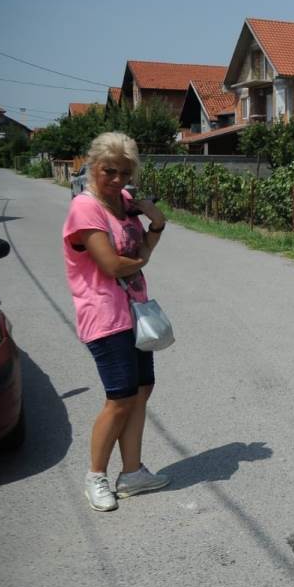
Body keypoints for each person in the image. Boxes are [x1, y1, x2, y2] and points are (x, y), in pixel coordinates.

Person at [63, 132, 170, 511]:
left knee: (141, 390)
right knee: (120, 398)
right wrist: (140, 258)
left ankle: (133, 472)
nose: (118, 180)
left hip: (135, 311)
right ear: (92, 165)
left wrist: (155, 225)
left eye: (125, 172)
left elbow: (140, 250)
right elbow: (111, 265)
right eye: (110, 171)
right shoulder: (85, 208)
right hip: (104, 316)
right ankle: (96, 477)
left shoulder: (125, 202)